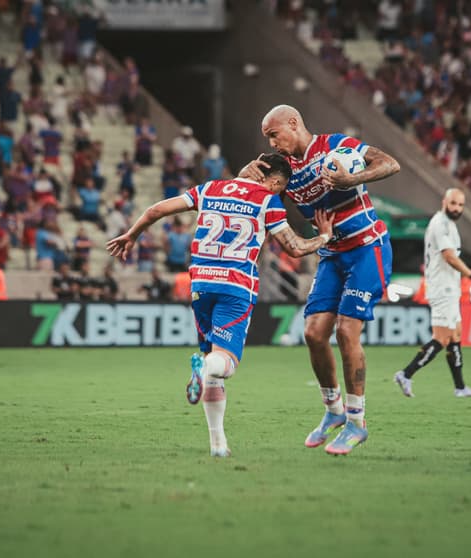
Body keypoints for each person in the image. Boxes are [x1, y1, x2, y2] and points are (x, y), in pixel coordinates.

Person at [107, 153, 334, 458]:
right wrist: (323, 237)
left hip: (200, 283)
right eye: (281, 187)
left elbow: (157, 208)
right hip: (235, 287)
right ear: (276, 181)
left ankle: (218, 445)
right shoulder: (268, 200)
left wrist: (132, 235)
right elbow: (294, 248)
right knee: (224, 365)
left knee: (213, 366)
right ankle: (202, 369)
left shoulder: (210, 188)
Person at [239, 105, 400, 455]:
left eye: (274, 134)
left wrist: (350, 179)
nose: (271, 142)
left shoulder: (335, 146)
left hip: (366, 247)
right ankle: (334, 412)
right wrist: (244, 174)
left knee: (345, 331)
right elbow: (249, 195)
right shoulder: (284, 169)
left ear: (294, 123)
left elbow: (390, 163)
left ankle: (358, 423)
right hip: (332, 255)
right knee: (313, 334)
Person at [393, 189, 471, 399]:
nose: (457, 208)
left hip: (450, 287)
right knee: (442, 338)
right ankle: (405, 374)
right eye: (453, 203)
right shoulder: (440, 224)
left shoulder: (449, 224)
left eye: (461, 205)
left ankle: (460, 387)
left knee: (455, 335)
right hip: (442, 288)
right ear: (444, 201)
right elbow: (449, 257)